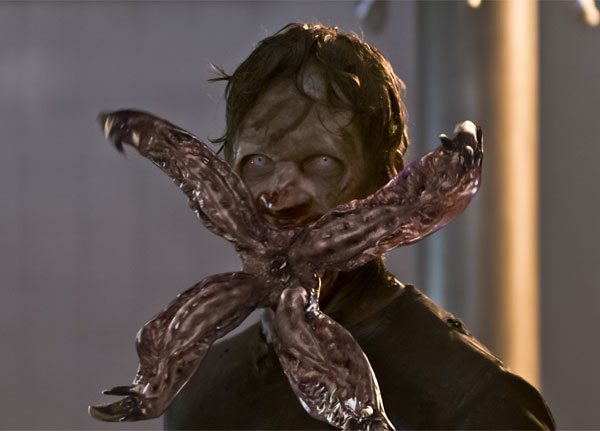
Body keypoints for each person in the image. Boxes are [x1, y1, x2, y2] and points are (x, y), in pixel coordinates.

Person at [162, 23, 555, 429]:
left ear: (388, 184)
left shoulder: (474, 401)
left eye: (322, 163)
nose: (281, 197)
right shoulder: (200, 395)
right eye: (258, 162)